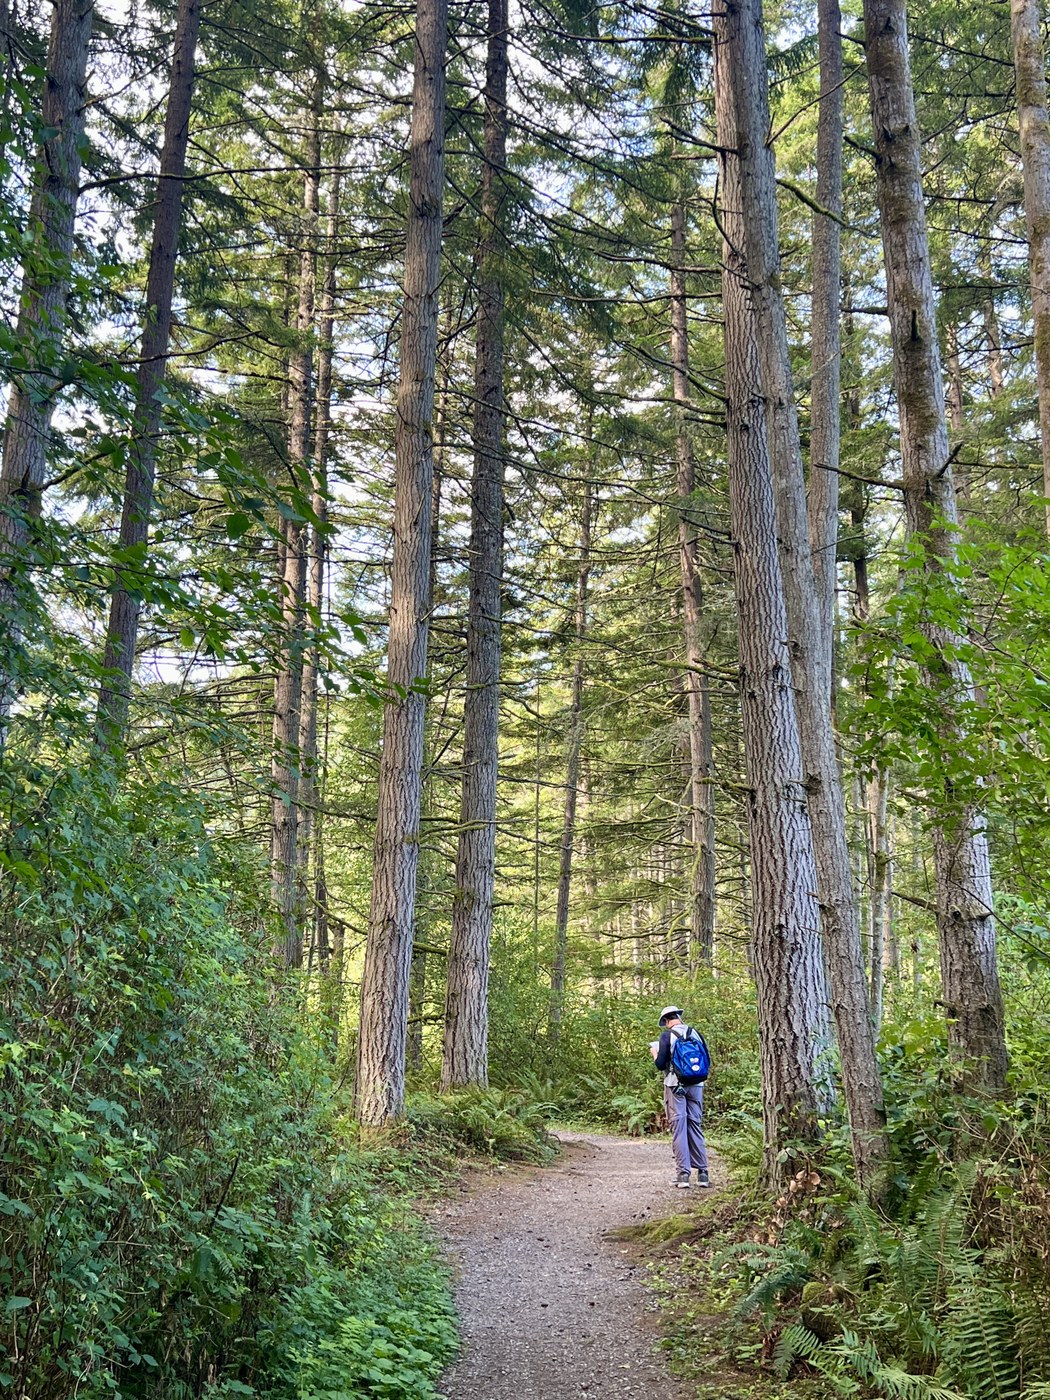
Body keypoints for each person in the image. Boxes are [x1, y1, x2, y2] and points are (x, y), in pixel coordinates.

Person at [652, 1005, 710, 1189]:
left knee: (679, 1127)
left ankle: (683, 1175)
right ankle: (703, 1173)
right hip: (697, 1085)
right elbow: (706, 1060)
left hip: (675, 1086)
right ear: (679, 1017)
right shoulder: (695, 1033)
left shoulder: (666, 1036)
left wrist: (654, 1053)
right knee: (695, 1126)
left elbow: (661, 1064)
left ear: (666, 1021)